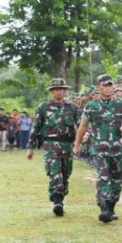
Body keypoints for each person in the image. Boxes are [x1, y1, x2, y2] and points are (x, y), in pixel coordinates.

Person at [73, 75, 122, 223]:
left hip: (117, 149)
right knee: (103, 177)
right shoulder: (91, 106)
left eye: (110, 85)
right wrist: (77, 144)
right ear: (99, 88)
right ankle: (103, 208)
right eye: (105, 86)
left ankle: (111, 207)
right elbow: (83, 126)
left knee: (116, 180)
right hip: (99, 149)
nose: (109, 88)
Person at [27, 78, 79, 217]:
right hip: (50, 145)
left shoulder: (72, 108)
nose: (59, 92)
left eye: (62, 89)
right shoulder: (43, 107)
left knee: (65, 174)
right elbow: (35, 127)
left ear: (65, 91)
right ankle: (57, 202)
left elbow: (81, 125)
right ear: (52, 91)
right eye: (56, 89)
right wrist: (31, 147)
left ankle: (60, 197)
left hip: (67, 146)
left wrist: (81, 140)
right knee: (54, 172)